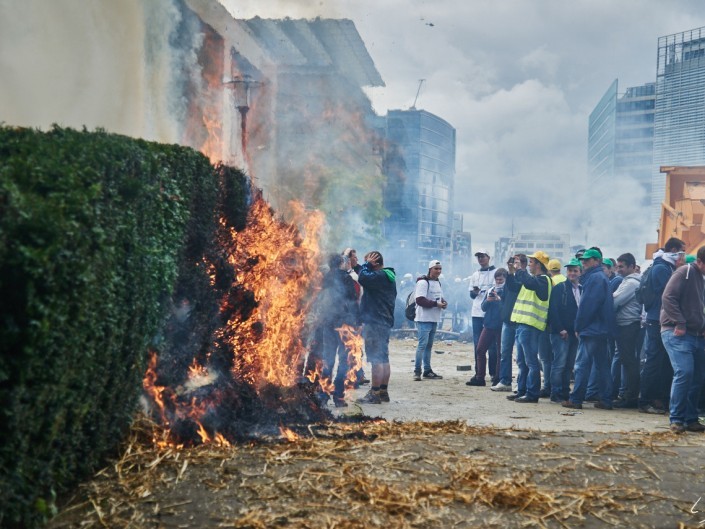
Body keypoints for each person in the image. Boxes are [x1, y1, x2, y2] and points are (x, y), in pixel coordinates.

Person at [563, 248, 615, 410]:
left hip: (591, 328)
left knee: (582, 365)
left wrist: (579, 326)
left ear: (596, 261)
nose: (583, 262)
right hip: (601, 328)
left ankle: (576, 399)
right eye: (583, 260)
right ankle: (606, 399)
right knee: (602, 365)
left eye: (587, 260)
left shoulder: (594, 278)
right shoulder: (601, 277)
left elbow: (588, 305)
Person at [660, 246, 705, 433]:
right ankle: (677, 419)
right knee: (685, 372)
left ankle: (690, 418)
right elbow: (668, 297)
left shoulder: (700, 279)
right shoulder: (685, 271)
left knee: (697, 377)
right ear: (701, 262)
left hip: (695, 334)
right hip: (677, 332)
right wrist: (679, 322)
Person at [639, 237, 686, 415]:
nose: (682, 255)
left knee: (663, 362)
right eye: (681, 251)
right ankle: (645, 401)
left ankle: (658, 398)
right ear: (673, 250)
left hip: (661, 319)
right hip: (656, 320)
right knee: (653, 361)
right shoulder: (661, 268)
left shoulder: (665, 266)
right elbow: (669, 293)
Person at [507, 251, 552, 403]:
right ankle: (522, 391)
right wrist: (512, 272)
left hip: (531, 326)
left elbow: (530, 283)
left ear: (538, 265)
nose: (529, 266)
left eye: (531, 263)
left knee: (531, 362)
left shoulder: (544, 280)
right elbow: (514, 286)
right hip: (522, 325)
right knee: (521, 361)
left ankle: (532, 394)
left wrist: (520, 270)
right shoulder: (532, 280)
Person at [318, 253, 359, 407]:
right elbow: (353, 301)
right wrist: (356, 321)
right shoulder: (346, 278)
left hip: (328, 323)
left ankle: (323, 395)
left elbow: (321, 300)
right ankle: (339, 396)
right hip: (344, 325)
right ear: (341, 263)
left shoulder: (325, 278)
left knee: (328, 359)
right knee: (343, 360)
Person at [356, 251, 397, 404]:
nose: (365, 265)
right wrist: (359, 266)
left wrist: (366, 265)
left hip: (375, 322)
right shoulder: (387, 275)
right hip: (383, 321)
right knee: (384, 358)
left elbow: (363, 278)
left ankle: (374, 393)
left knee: (376, 359)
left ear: (375, 263)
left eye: (367, 262)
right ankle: (383, 392)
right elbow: (364, 274)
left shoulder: (379, 276)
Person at [547, 258, 581, 403]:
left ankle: (565, 392)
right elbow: (553, 310)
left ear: (580, 272)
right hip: (561, 333)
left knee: (569, 365)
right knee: (559, 364)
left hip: (574, 332)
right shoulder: (560, 288)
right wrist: (560, 329)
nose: (572, 273)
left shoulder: (581, 288)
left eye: (575, 271)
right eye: (570, 270)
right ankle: (556, 393)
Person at [611, 253, 642, 408]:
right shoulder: (628, 281)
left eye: (622, 267)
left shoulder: (631, 283)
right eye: (618, 266)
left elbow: (615, 300)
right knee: (628, 361)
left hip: (628, 325)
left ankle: (630, 398)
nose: (619, 270)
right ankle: (628, 395)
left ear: (632, 266)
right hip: (627, 324)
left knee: (629, 362)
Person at [491, 254, 526, 392]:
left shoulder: (525, 279)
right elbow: (506, 296)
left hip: (519, 321)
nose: (514, 264)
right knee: (505, 353)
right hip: (507, 321)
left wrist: (512, 272)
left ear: (523, 264)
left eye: (516, 262)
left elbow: (515, 286)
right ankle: (505, 380)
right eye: (513, 262)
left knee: (521, 357)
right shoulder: (511, 278)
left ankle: (520, 383)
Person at [467, 268, 507, 386]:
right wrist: (489, 300)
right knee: (480, 349)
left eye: (501, 279)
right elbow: (483, 307)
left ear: (505, 279)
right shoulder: (491, 290)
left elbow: (506, 310)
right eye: (497, 279)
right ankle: (480, 377)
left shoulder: (507, 291)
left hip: (501, 326)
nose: (498, 282)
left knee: (500, 352)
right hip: (489, 324)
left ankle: (497, 377)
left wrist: (499, 300)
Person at [412, 260, 447, 381]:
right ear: (430, 269)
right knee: (422, 345)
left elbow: (439, 297)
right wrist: (436, 304)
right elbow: (420, 300)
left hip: (434, 318)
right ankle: (417, 371)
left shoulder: (438, 283)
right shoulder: (423, 282)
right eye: (436, 268)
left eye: (440, 269)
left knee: (429, 346)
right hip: (423, 318)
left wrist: (443, 302)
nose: (438, 271)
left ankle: (427, 370)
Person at [342, 247, 369, 387]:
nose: (356, 260)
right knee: (352, 347)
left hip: (357, 315)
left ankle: (357, 374)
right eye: (354, 258)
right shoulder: (348, 276)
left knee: (355, 346)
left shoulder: (355, 274)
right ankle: (354, 376)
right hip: (351, 317)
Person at [468, 249, 496, 370]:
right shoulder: (475, 275)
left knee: (492, 345)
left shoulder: (496, 273)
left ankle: (493, 372)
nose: (480, 259)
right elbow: (471, 295)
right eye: (478, 257)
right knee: (477, 344)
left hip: (490, 314)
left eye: (483, 256)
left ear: (488, 257)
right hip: (477, 313)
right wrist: (475, 292)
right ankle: (479, 372)